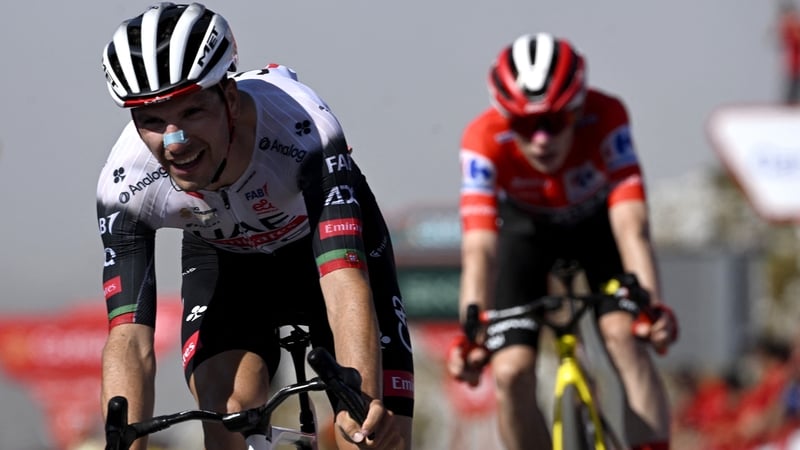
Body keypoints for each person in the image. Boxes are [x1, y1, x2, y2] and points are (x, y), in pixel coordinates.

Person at [96, 3, 414, 450]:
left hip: (321, 254)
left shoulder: (302, 131)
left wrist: (363, 402)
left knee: (368, 432)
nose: (174, 141)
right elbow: (129, 337)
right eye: (150, 120)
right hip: (227, 263)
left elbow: (344, 282)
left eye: (191, 113)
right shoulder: (124, 183)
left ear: (229, 97)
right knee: (228, 411)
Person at [446, 32, 679, 450]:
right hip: (526, 236)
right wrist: (470, 330)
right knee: (510, 373)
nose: (541, 139)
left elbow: (632, 225)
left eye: (554, 122)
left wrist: (652, 306)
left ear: (577, 109)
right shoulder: (481, 139)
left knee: (626, 337)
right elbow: (479, 249)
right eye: (523, 124)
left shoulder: (607, 115)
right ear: (503, 116)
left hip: (596, 230)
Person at [778, 0, 800, 105]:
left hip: (796, 67)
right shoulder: (788, 29)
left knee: (793, 92)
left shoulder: (795, 27)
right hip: (792, 68)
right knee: (791, 93)